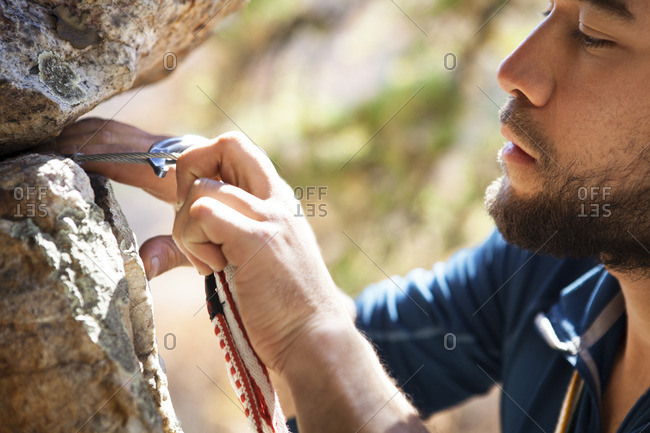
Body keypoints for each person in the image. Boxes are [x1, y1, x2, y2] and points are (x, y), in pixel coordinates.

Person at [46, 0, 650, 431]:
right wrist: (264, 248)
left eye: (594, 34)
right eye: (547, 11)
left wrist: (308, 329)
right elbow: (376, 351)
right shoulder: (553, 274)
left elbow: (334, 350)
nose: (514, 70)